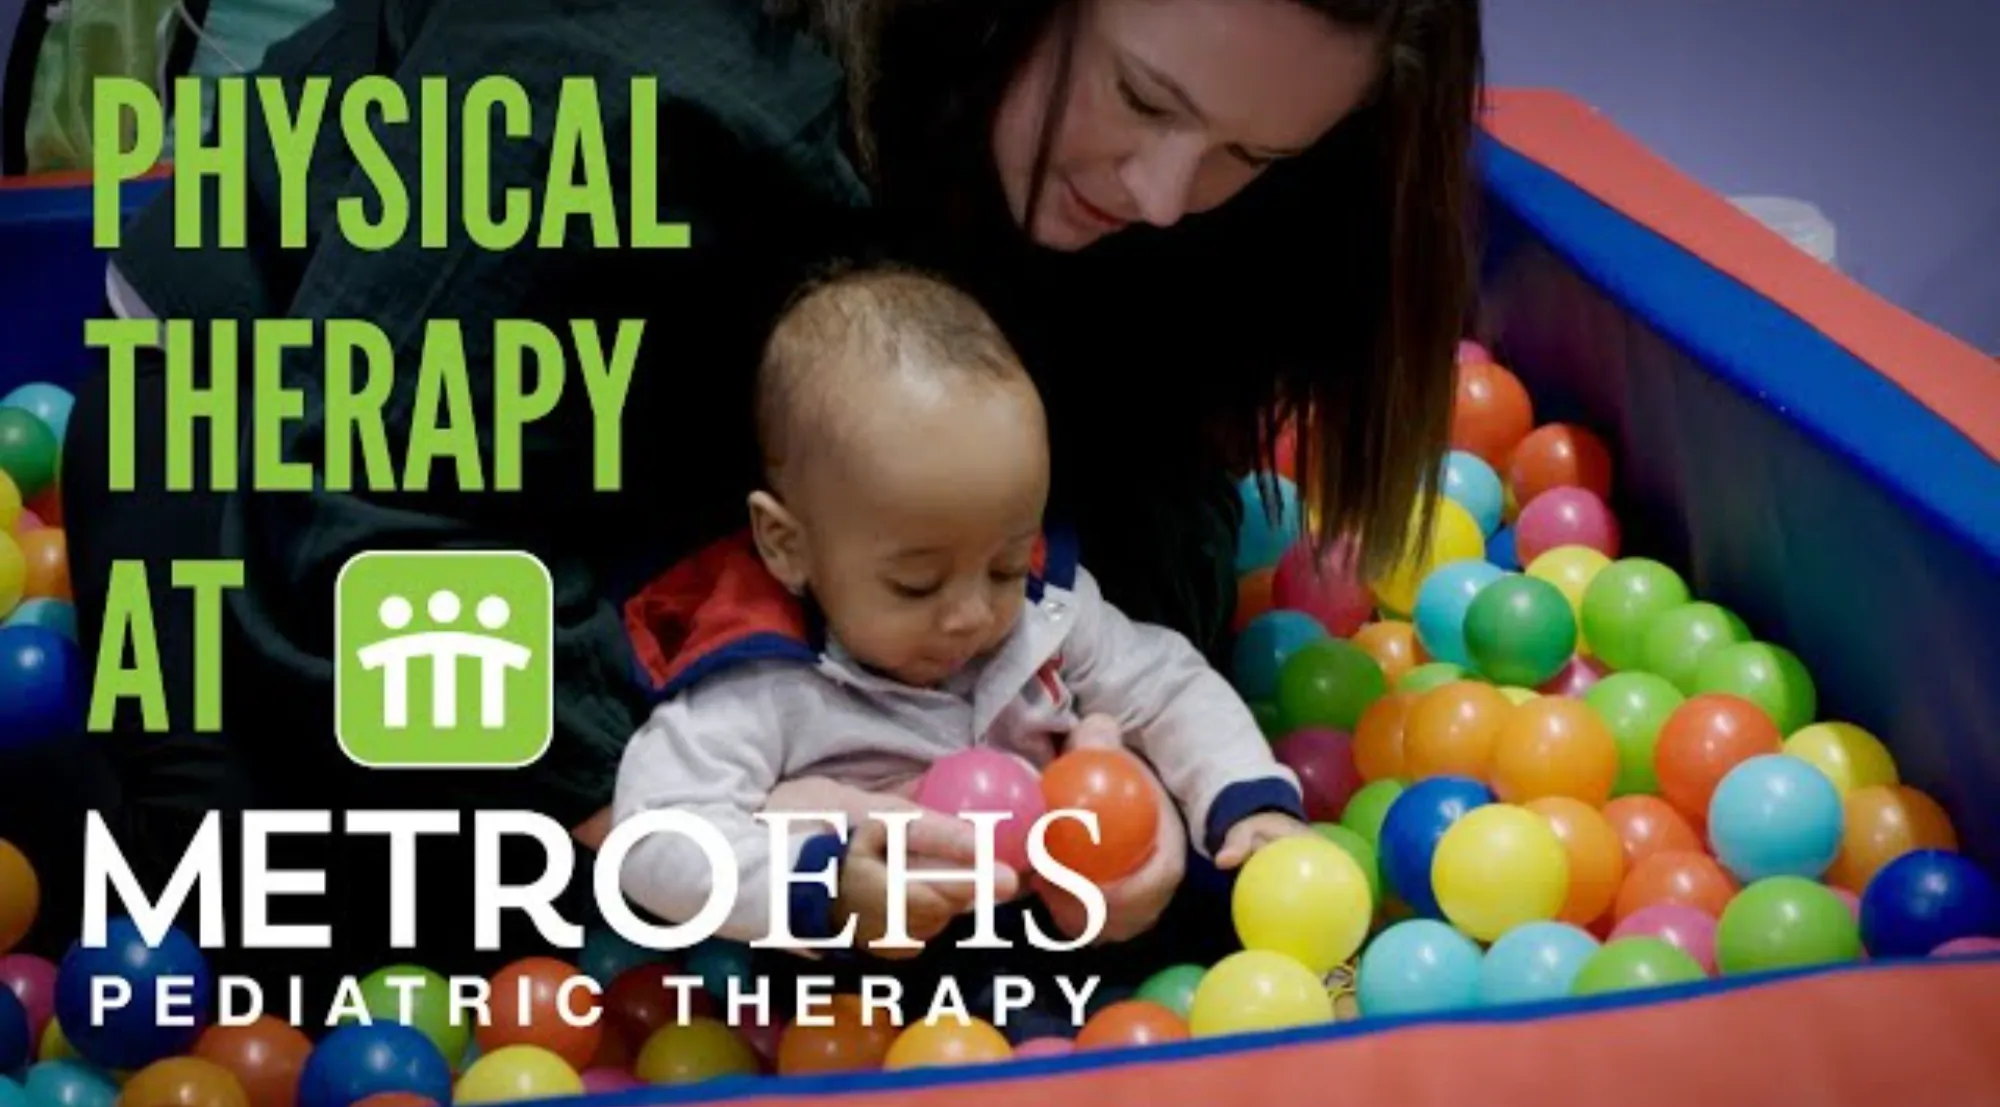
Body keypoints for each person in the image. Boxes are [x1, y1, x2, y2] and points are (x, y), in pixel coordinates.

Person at [30, 0, 1482, 992]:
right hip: (280, 414)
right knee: (288, 935)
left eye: (1247, 156)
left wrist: (1103, 756)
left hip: (716, 392)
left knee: (1017, 955)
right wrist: (688, 817)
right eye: (1146, 100)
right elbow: (368, 539)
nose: (1167, 192)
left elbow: (1147, 466)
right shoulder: (611, 61)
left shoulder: (1153, 156)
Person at [612, 264, 1312, 967]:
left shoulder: (1048, 608)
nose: (973, 614)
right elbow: (654, 835)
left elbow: (1167, 684)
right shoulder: (762, 678)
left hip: (1053, 943)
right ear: (787, 545)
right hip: (863, 986)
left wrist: (1244, 798)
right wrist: (822, 885)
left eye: (1004, 565)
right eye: (916, 585)